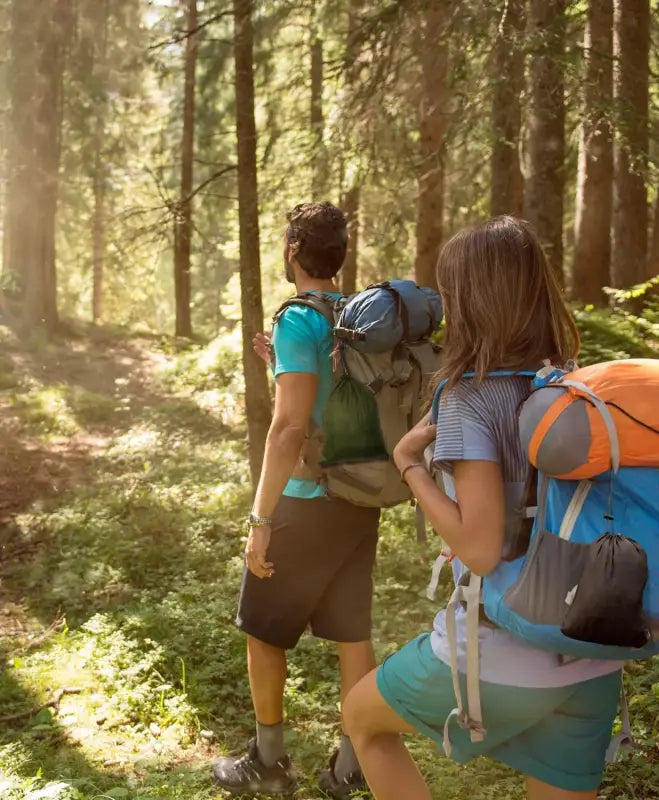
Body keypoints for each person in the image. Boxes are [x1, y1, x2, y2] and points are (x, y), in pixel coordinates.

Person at [342, 216, 625, 800]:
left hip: (499, 654)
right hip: (593, 658)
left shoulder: (472, 395)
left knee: (362, 720)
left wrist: (409, 465)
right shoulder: (573, 384)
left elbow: (480, 545)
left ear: (470, 299)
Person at [212, 202, 380, 798]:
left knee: (262, 630)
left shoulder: (298, 320)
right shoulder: (351, 315)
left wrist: (261, 518)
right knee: (352, 634)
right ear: (337, 257)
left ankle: (268, 762)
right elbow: (332, 399)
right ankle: (353, 765)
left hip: (306, 501)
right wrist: (281, 363)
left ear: (290, 251)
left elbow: (287, 432)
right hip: (358, 500)